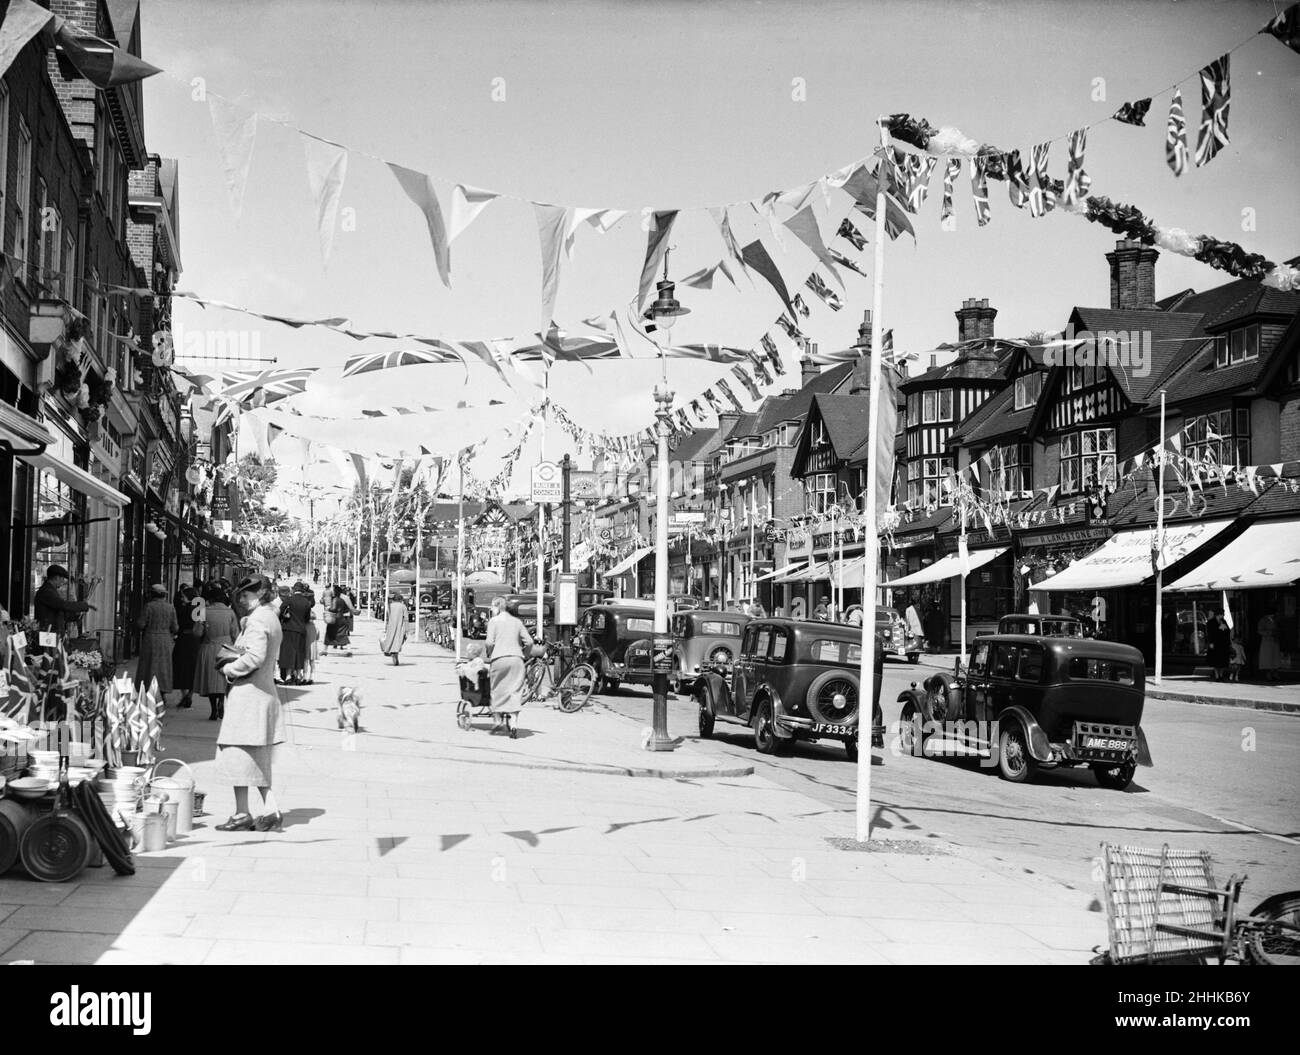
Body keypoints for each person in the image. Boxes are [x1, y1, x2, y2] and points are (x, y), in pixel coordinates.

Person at [214, 574, 287, 833]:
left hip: (250, 697)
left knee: (240, 755)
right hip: (260, 696)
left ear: (260, 594)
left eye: (247, 595)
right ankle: (247, 811)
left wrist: (230, 670)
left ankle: (260, 810)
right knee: (247, 758)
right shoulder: (269, 617)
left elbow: (255, 657)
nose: (243, 600)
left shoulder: (258, 621)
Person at [484, 595, 535, 735]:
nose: (491, 609)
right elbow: (529, 642)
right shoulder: (517, 622)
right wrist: (526, 654)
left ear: (497, 607)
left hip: (499, 659)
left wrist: (490, 653)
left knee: (497, 688)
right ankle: (513, 724)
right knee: (515, 690)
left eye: (492, 606)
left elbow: (489, 643)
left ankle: (498, 719)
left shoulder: (493, 621)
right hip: (516, 659)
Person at [194, 582, 239, 721]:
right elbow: (235, 634)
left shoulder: (203, 611)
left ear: (210, 599)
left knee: (210, 680)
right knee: (224, 680)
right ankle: (221, 702)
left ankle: (213, 709)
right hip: (227, 648)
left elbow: (197, 632)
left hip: (208, 647)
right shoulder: (230, 612)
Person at [135, 584, 178, 696]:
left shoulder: (149, 606)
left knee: (148, 665)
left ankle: (148, 689)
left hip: (150, 638)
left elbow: (141, 624)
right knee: (164, 665)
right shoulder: (170, 608)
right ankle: (163, 690)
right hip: (165, 639)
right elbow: (175, 627)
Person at [33, 565, 93, 636]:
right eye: (62, 578)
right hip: (47, 636)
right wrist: (82, 605)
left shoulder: (51, 590)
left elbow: (59, 613)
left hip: (52, 634)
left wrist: (76, 615)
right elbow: (62, 604)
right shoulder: (46, 591)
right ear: (57, 577)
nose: (63, 581)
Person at [277, 582, 313, 684]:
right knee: (299, 652)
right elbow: (307, 618)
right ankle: (298, 675)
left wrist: (282, 619)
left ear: (294, 590)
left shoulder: (289, 599)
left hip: (288, 629)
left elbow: (280, 611)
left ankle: (288, 676)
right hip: (301, 629)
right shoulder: (306, 602)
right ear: (302, 591)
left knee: (288, 652)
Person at [172, 585, 200, 709]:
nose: (181, 598)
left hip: (183, 640)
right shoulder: (199, 610)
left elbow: (176, 626)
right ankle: (190, 694)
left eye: (183, 596)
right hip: (195, 641)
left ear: (188, 597)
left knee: (180, 667)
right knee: (193, 668)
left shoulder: (181, 610)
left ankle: (184, 695)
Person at [381, 593, 409, 665]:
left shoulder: (390, 606)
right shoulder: (403, 606)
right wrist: (407, 629)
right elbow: (406, 618)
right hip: (400, 626)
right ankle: (395, 652)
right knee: (399, 639)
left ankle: (391, 651)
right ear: (400, 600)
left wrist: (386, 627)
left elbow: (387, 618)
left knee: (391, 639)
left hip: (391, 626)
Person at [1205, 609, 1230, 681]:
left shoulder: (1223, 621)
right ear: (1218, 614)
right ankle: (1217, 676)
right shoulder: (1211, 622)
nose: (1223, 615)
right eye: (1222, 614)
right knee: (1216, 660)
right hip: (1215, 643)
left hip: (1223, 644)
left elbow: (1228, 630)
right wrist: (1211, 643)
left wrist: (1224, 628)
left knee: (1223, 660)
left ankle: (1221, 675)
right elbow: (1210, 633)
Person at [326, 585, 354, 650]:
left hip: (337, 616)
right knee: (343, 631)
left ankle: (336, 644)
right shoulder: (346, 598)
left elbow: (333, 608)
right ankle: (341, 645)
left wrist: (329, 609)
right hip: (345, 615)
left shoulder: (335, 598)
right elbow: (351, 607)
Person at [1257, 609, 1281, 682]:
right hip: (1267, 641)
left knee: (1275, 658)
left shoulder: (1275, 620)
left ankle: (1275, 674)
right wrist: (1270, 632)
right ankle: (1269, 675)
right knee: (1268, 659)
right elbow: (1259, 630)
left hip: (1275, 641)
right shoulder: (1263, 620)